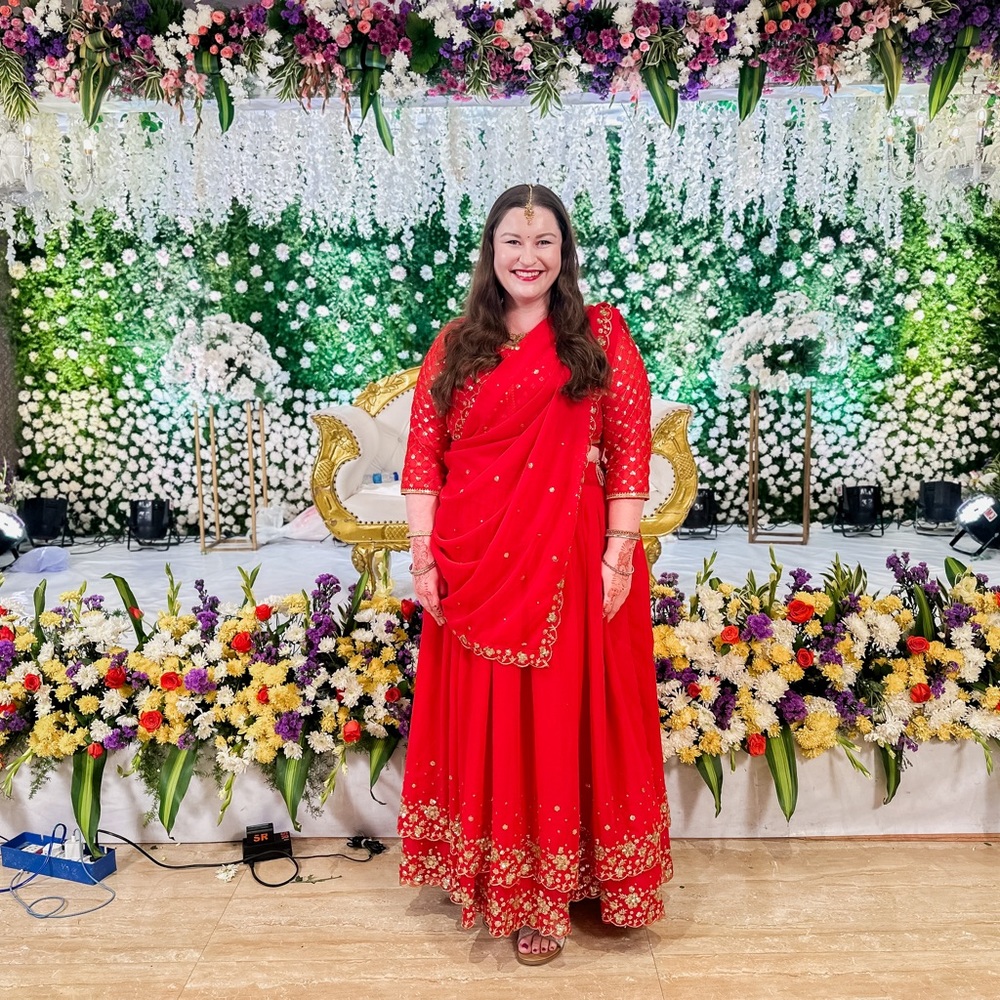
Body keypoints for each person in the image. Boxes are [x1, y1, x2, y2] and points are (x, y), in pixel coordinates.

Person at [398, 183, 671, 966]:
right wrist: (423, 553)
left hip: (571, 557)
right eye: (513, 242)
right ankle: (493, 874)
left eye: (544, 241)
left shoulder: (601, 335)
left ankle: (549, 894)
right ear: (490, 252)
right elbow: (426, 454)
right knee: (492, 714)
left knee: (556, 714)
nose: (528, 257)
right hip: (474, 555)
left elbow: (627, 444)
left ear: (565, 253)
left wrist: (620, 549)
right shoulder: (457, 343)